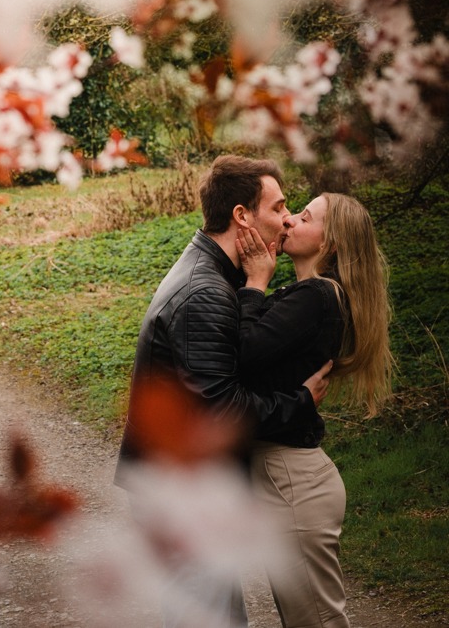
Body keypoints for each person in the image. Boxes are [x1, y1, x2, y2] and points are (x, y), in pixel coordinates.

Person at [114, 155, 331, 627]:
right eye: (278, 207)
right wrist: (299, 402)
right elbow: (221, 409)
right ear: (242, 216)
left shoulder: (213, 275)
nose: (287, 219)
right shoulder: (205, 292)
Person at [234, 192, 393, 628]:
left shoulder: (319, 297)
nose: (289, 222)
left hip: (293, 485)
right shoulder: (306, 294)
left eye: (304, 217)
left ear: (332, 244)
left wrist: (255, 284)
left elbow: (243, 352)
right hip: (288, 480)